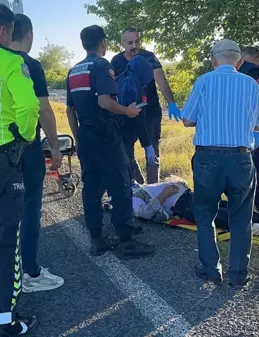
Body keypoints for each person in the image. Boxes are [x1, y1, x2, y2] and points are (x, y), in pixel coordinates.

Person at [65, 25, 155, 258]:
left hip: (85, 134)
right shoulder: (102, 66)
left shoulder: (74, 71)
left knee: (92, 189)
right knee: (120, 185)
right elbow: (105, 101)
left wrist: (79, 137)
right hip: (106, 134)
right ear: (103, 43)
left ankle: (97, 239)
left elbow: (69, 111)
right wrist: (127, 111)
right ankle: (126, 240)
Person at [181, 39, 259, 288]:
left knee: (204, 214)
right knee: (241, 218)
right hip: (241, 157)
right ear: (239, 60)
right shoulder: (250, 84)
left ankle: (211, 269)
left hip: (208, 157)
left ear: (213, 59)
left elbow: (187, 119)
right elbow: (258, 124)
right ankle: (238, 274)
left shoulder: (204, 81)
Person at [9, 13, 65, 294]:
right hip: (24, 147)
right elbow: (42, 109)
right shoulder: (28, 65)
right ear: (28, 35)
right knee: (30, 209)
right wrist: (54, 146)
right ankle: (30, 272)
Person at [0, 4, 39, 335]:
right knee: (5, 241)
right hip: (3, 158)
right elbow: (29, 105)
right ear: (4, 31)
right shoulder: (12, 62)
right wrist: (23, 138)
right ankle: (5, 320)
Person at [111, 27, 181, 184]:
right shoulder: (116, 61)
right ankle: (140, 188)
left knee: (152, 154)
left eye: (137, 41)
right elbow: (112, 87)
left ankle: (154, 191)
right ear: (122, 43)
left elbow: (161, 81)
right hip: (126, 114)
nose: (134, 45)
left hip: (149, 112)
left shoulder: (149, 58)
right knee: (126, 154)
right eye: (130, 42)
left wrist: (171, 103)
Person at [131, 178, 259, 235]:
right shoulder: (134, 198)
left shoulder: (139, 190)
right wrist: (165, 194)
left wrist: (173, 186)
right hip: (183, 204)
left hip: (187, 198)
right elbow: (145, 213)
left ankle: (256, 222)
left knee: (219, 209)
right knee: (219, 211)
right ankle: (254, 224)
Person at [115, 55, 157, 184]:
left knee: (125, 166)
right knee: (128, 176)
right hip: (126, 134)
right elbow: (140, 121)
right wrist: (148, 145)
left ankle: (139, 185)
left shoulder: (119, 80)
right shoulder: (137, 88)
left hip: (112, 133)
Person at [237, 45, 259, 214]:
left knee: (241, 185)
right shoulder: (256, 73)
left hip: (237, 141)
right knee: (255, 181)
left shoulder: (234, 76)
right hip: (254, 139)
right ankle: (256, 217)